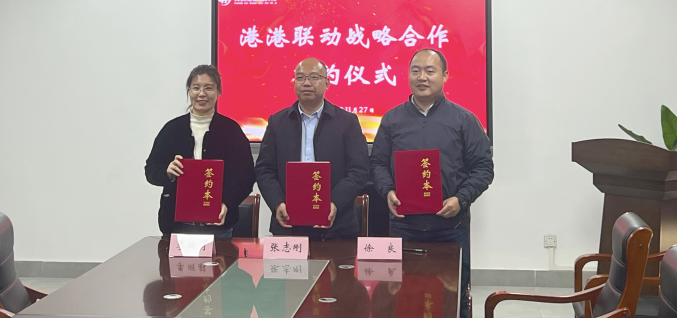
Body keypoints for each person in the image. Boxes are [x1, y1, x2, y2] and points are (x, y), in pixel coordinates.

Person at [370, 48, 494, 318]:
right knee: (403, 299)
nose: (422, 77)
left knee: (454, 299)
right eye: (415, 71)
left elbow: (483, 168)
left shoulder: (464, 120)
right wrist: (387, 190)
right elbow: (377, 164)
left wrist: (461, 199)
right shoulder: (392, 119)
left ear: (445, 75)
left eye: (429, 71)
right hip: (404, 227)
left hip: (451, 228)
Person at [255, 57, 370, 240]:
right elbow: (264, 169)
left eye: (314, 77)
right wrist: (277, 204)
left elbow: (359, 170)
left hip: (337, 227)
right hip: (288, 224)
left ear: (327, 83)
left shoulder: (347, 122)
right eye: (300, 77)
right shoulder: (277, 122)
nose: (306, 83)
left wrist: (335, 203)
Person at [144, 65, 256, 238]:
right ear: (189, 91)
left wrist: (227, 203)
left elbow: (246, 177)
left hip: (218, 228)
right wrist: (168, 172)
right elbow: (151, 171)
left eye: (208, 88)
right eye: (196, 88)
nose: (201, 94)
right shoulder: (172, 129)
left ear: (219, 92)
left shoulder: (231, 130)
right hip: (176, 227)